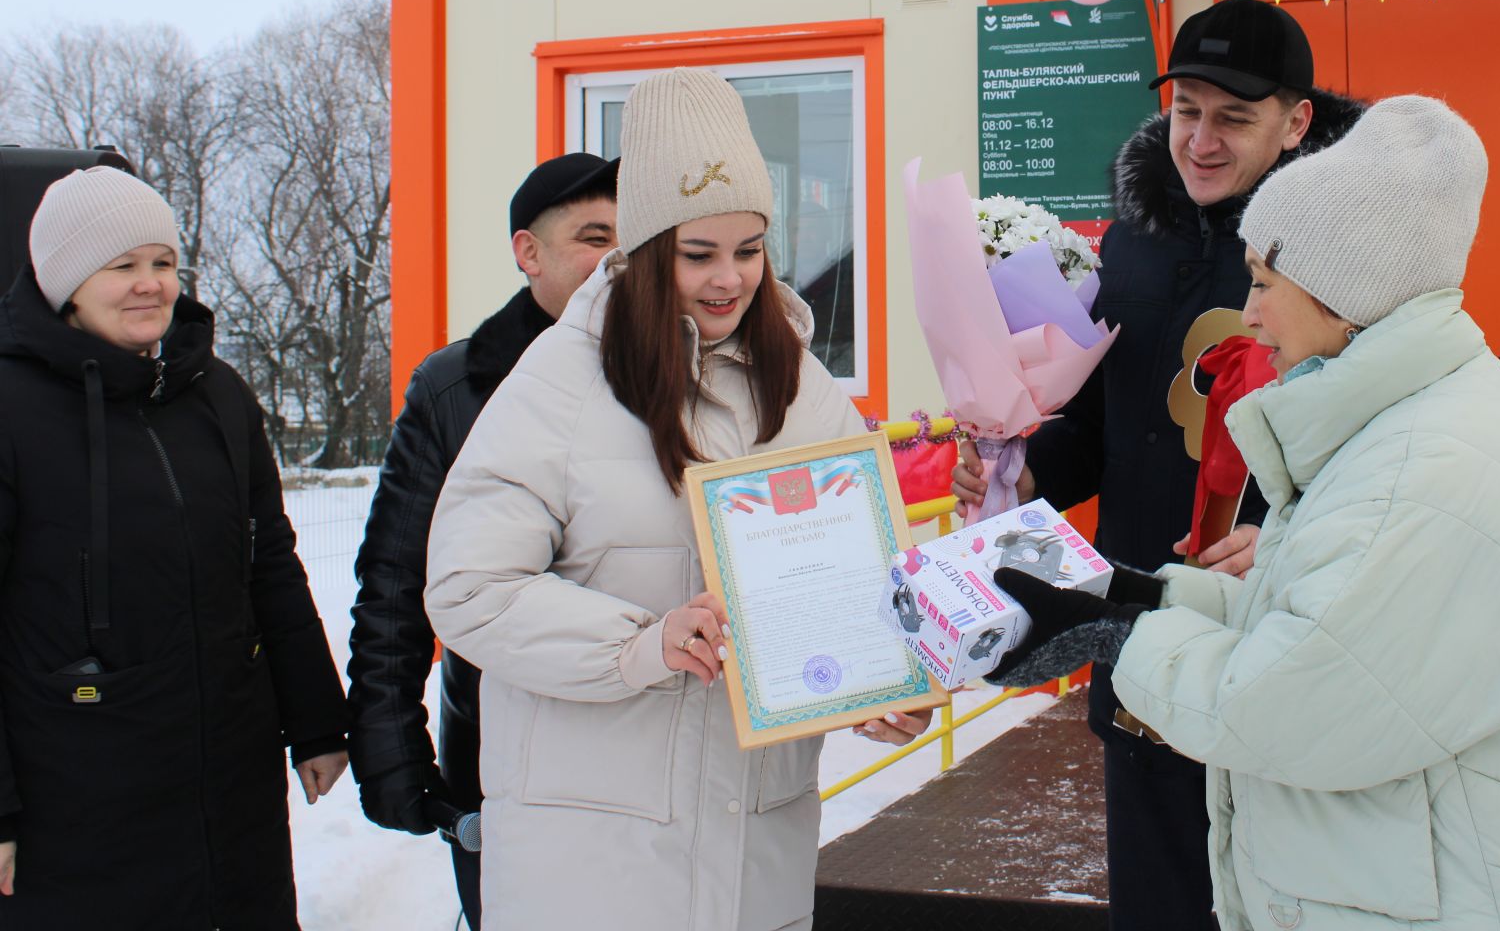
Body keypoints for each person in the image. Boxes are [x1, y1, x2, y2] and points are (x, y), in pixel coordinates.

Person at [986, 97, 1500, 929]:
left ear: (1346, 297)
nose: (1254, 311)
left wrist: (1118, 639)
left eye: (1266, 283)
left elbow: (1284, 703)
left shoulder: (1422, 471)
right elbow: (1325, 620)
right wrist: (1141, 597)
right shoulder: (1402, 423)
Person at [951, 0, 1362, 930]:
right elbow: (1105, 423)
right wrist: (1018, 471)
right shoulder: (1134, 238)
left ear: (1297, 123)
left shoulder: (1343, 254)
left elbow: (1381, 441)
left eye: (1234, 117)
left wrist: (1284, 534)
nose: (1202, 141)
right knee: (1159, 897)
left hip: (1280, 636)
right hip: (1137, 627)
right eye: (1187, 111)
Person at [424, 68, 868, 929]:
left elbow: (851, 571)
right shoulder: (560, 381)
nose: (728, 280)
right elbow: (469, 592)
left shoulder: (803, 386)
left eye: (749, 250)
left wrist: (877, 680)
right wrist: (642, 643)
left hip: (752, 851)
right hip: (592, 859)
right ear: (644, 246)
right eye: (698, 253)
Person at [0, 166, 350, 929]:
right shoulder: (12, 406)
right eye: (121, 266)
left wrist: (316, 719)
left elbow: (270, 565)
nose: (149, 285)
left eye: (162, 262)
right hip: (75, 784)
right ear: (64, 280)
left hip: (228, 770)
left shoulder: (215, 392)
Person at [347, 151, 617, 927]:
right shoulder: (456, 388)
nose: (619, 258)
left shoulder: (682, 372)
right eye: (594, 237)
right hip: (502, 765)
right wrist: (389, 746)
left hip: (661, 750)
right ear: (528, 253)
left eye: (632, 237)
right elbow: (397, 582)